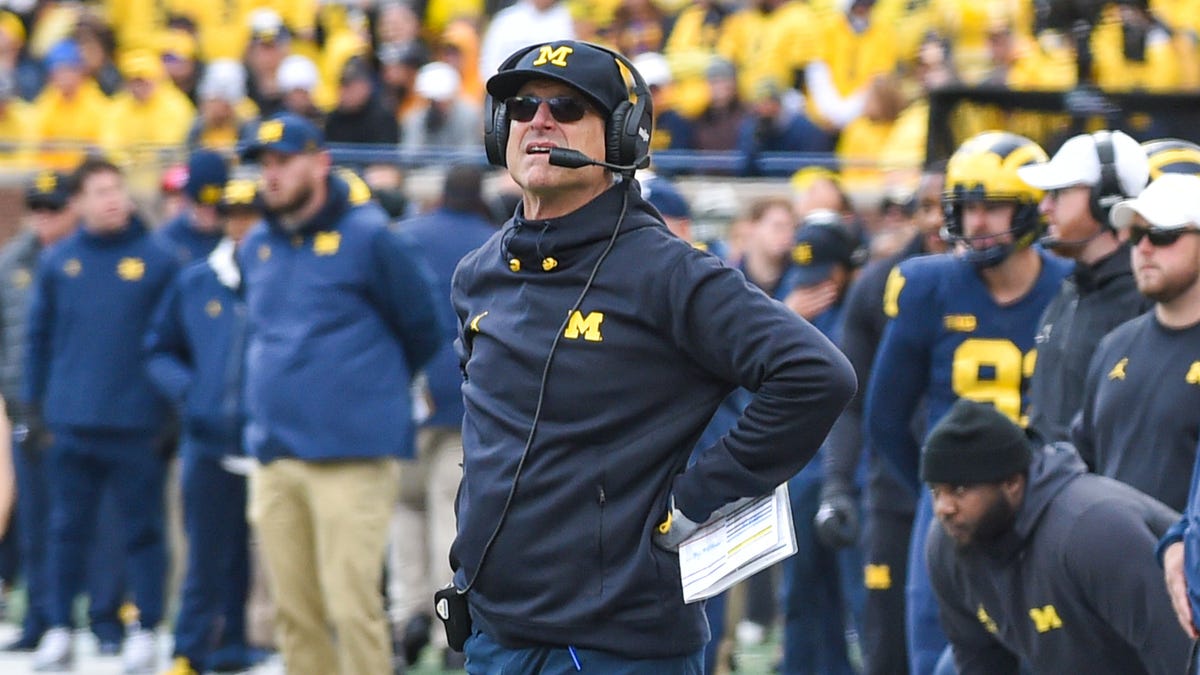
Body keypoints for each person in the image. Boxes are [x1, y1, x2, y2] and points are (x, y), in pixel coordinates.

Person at [451, 39, 856, 672]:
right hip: (494, 632)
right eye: (522, 106)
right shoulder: (480, 271)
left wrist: (698, 500)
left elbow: (815, 374)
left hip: (614, 647)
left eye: (566, 107)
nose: (538, 121)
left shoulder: (667, 271)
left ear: (621, 135)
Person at [236, 113, 442, 675]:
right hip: (276, 454)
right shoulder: (256, 244)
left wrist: (365, 391)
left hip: (352, 455)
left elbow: (424, 325)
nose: (271, 176)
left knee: (353, 609)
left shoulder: (370, 236)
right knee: (293, 613)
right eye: (263, 165)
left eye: (283, 162)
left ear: (321, 162)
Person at [865, 131, 1071, 675]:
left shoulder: (1074, 287)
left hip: (1048, 506)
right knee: (938, 659)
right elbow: (884, 416)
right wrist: (942, 491)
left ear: (1031, 208)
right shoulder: (927, 284)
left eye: (993, 206)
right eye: (968, 207)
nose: (977, 222)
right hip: (953, 515)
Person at [26, 157, 180, 673]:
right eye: (99, 191)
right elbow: (38, 339)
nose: (112, 198)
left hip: (137, 423)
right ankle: (59, 627)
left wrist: (169, 417)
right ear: (79, 203)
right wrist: (36, 409)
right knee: (65, 529)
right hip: (70, 420)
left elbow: (175, 342)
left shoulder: (159, 259)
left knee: (142, 530)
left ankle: (145, 626)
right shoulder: (58, 261)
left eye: (117, 188)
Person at [924, 398, 1190, 674]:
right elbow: (979, 661)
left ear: (1011, 483)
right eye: (935, 491)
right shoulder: (948, 543)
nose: (944, 508)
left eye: (959, 489)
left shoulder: (1090, 529)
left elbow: (1177, 648)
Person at [818, 166, 948, 675]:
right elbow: (850, 400)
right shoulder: (879, 284)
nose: (939, 220)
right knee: (888, 644)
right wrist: (836, 485)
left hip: (999, 500)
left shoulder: (1021, 280)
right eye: (929, 207)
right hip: (898, 492)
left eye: (950, 205)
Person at [145, 178, 263, 675]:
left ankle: (235, 643)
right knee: (207, 551)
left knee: (250, 555)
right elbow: (159, 348)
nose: (242, 226)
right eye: (234, 215)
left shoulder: (285, 275)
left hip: (269, 440)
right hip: (209, 440)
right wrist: (191, 392)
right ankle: (190, 650)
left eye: (250, 215)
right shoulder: (196, 280)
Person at [389, 165, 497, 670]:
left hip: (405, 395)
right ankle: (442, 624)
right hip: (463, 397)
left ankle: (406, 614)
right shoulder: (496, 242)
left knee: (403, 511)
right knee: (447, 515)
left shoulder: (403, 237)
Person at [1072, 173, 1200, 512]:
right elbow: (1083, 464)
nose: (1144, 249)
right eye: (1137, 235)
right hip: (1111, 557)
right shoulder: (1115, 345)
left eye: (1163, 235)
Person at [1018, 131, 1151, 444]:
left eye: (1059, 192)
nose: (1045, 207)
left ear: (1105, 198)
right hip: (1052, 487)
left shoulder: (1143, 299)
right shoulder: (1071, 289)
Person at [779, 213, 865, 675]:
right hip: (799, 472)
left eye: (827, 275)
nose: (817, 286)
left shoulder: (867, 304)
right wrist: (782, 318)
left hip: (856, 470)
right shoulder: (787, 302)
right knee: (802, 597)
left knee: (864, 597)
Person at [0, 170, 77, 652]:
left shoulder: (80, 259)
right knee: (31, 516)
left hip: (74, 406)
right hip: (23, 407)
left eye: (54, 208)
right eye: (39, 209)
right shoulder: (11, 264)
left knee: (78, 521)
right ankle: (38, 619)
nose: (45, 219)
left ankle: (86, 618)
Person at [156, 149, 228, 264]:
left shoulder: (237, 232)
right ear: (188, 199)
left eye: (216, 204)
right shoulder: (168, 241)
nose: (210, 211)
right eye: (201, 205)